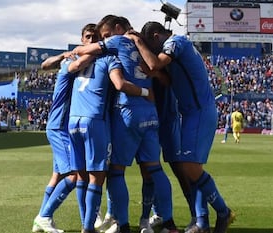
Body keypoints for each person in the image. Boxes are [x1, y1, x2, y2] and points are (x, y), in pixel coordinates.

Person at [73, 15, 177, 233]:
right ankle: (165, 223)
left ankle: (123, 226)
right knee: (154, 169)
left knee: (116, 172)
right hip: (151, 113)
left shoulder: (119, 41)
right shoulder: (145, 43)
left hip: (128, 112)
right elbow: (163, 76)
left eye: (107, 34)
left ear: (119, 28)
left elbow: (84, 51)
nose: (106, 39)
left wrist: (73, 52)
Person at [130, 21, 235, 233]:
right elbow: (167, 80)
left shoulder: (176, 42)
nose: (152, 50)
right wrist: (157, 74)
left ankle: (223, 212)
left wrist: (138, 42)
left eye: (151, 44)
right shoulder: (178, 46)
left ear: (156, 36)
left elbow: (154, 65)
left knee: (189, 167)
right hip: (190, 113)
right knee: (191, 168)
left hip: (199, 111)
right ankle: (202, 222)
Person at [32, 23, 98, 233]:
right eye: (88, 36)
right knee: (74, 175)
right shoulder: (73, 61)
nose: (91, 39)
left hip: (67, 127)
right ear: (81, 39)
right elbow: (44, 65)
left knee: (58, 175)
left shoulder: (81, 60)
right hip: (60, 126)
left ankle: (41, 221)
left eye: (94, 37)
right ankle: (45, 215)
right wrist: (63, 55)